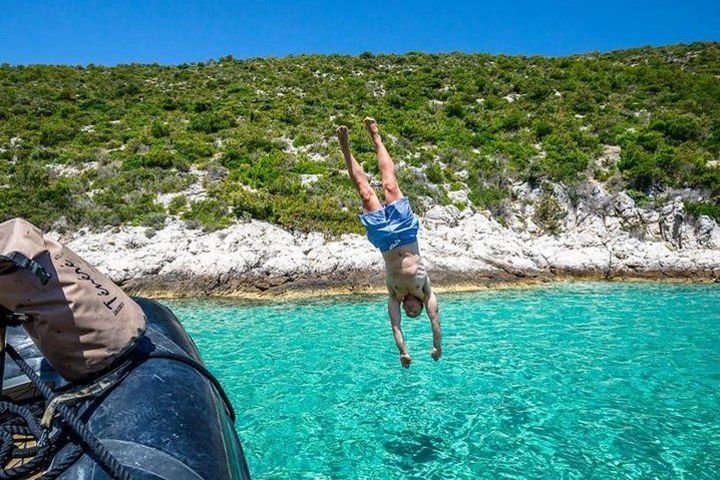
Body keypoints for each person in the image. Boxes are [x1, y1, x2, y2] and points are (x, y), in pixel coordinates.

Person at [336, 118, 441, 368]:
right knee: (389, 185)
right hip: (405, 233)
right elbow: (435, 323)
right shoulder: (426, 292)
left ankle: (345, 149)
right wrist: (437, 346)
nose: (411, 312)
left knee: (365, 191)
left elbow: (395, 326)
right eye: (416, 313)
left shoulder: (394, 296)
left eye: (410, 314)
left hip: (383, 239)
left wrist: (403, 352)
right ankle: (376, 137)